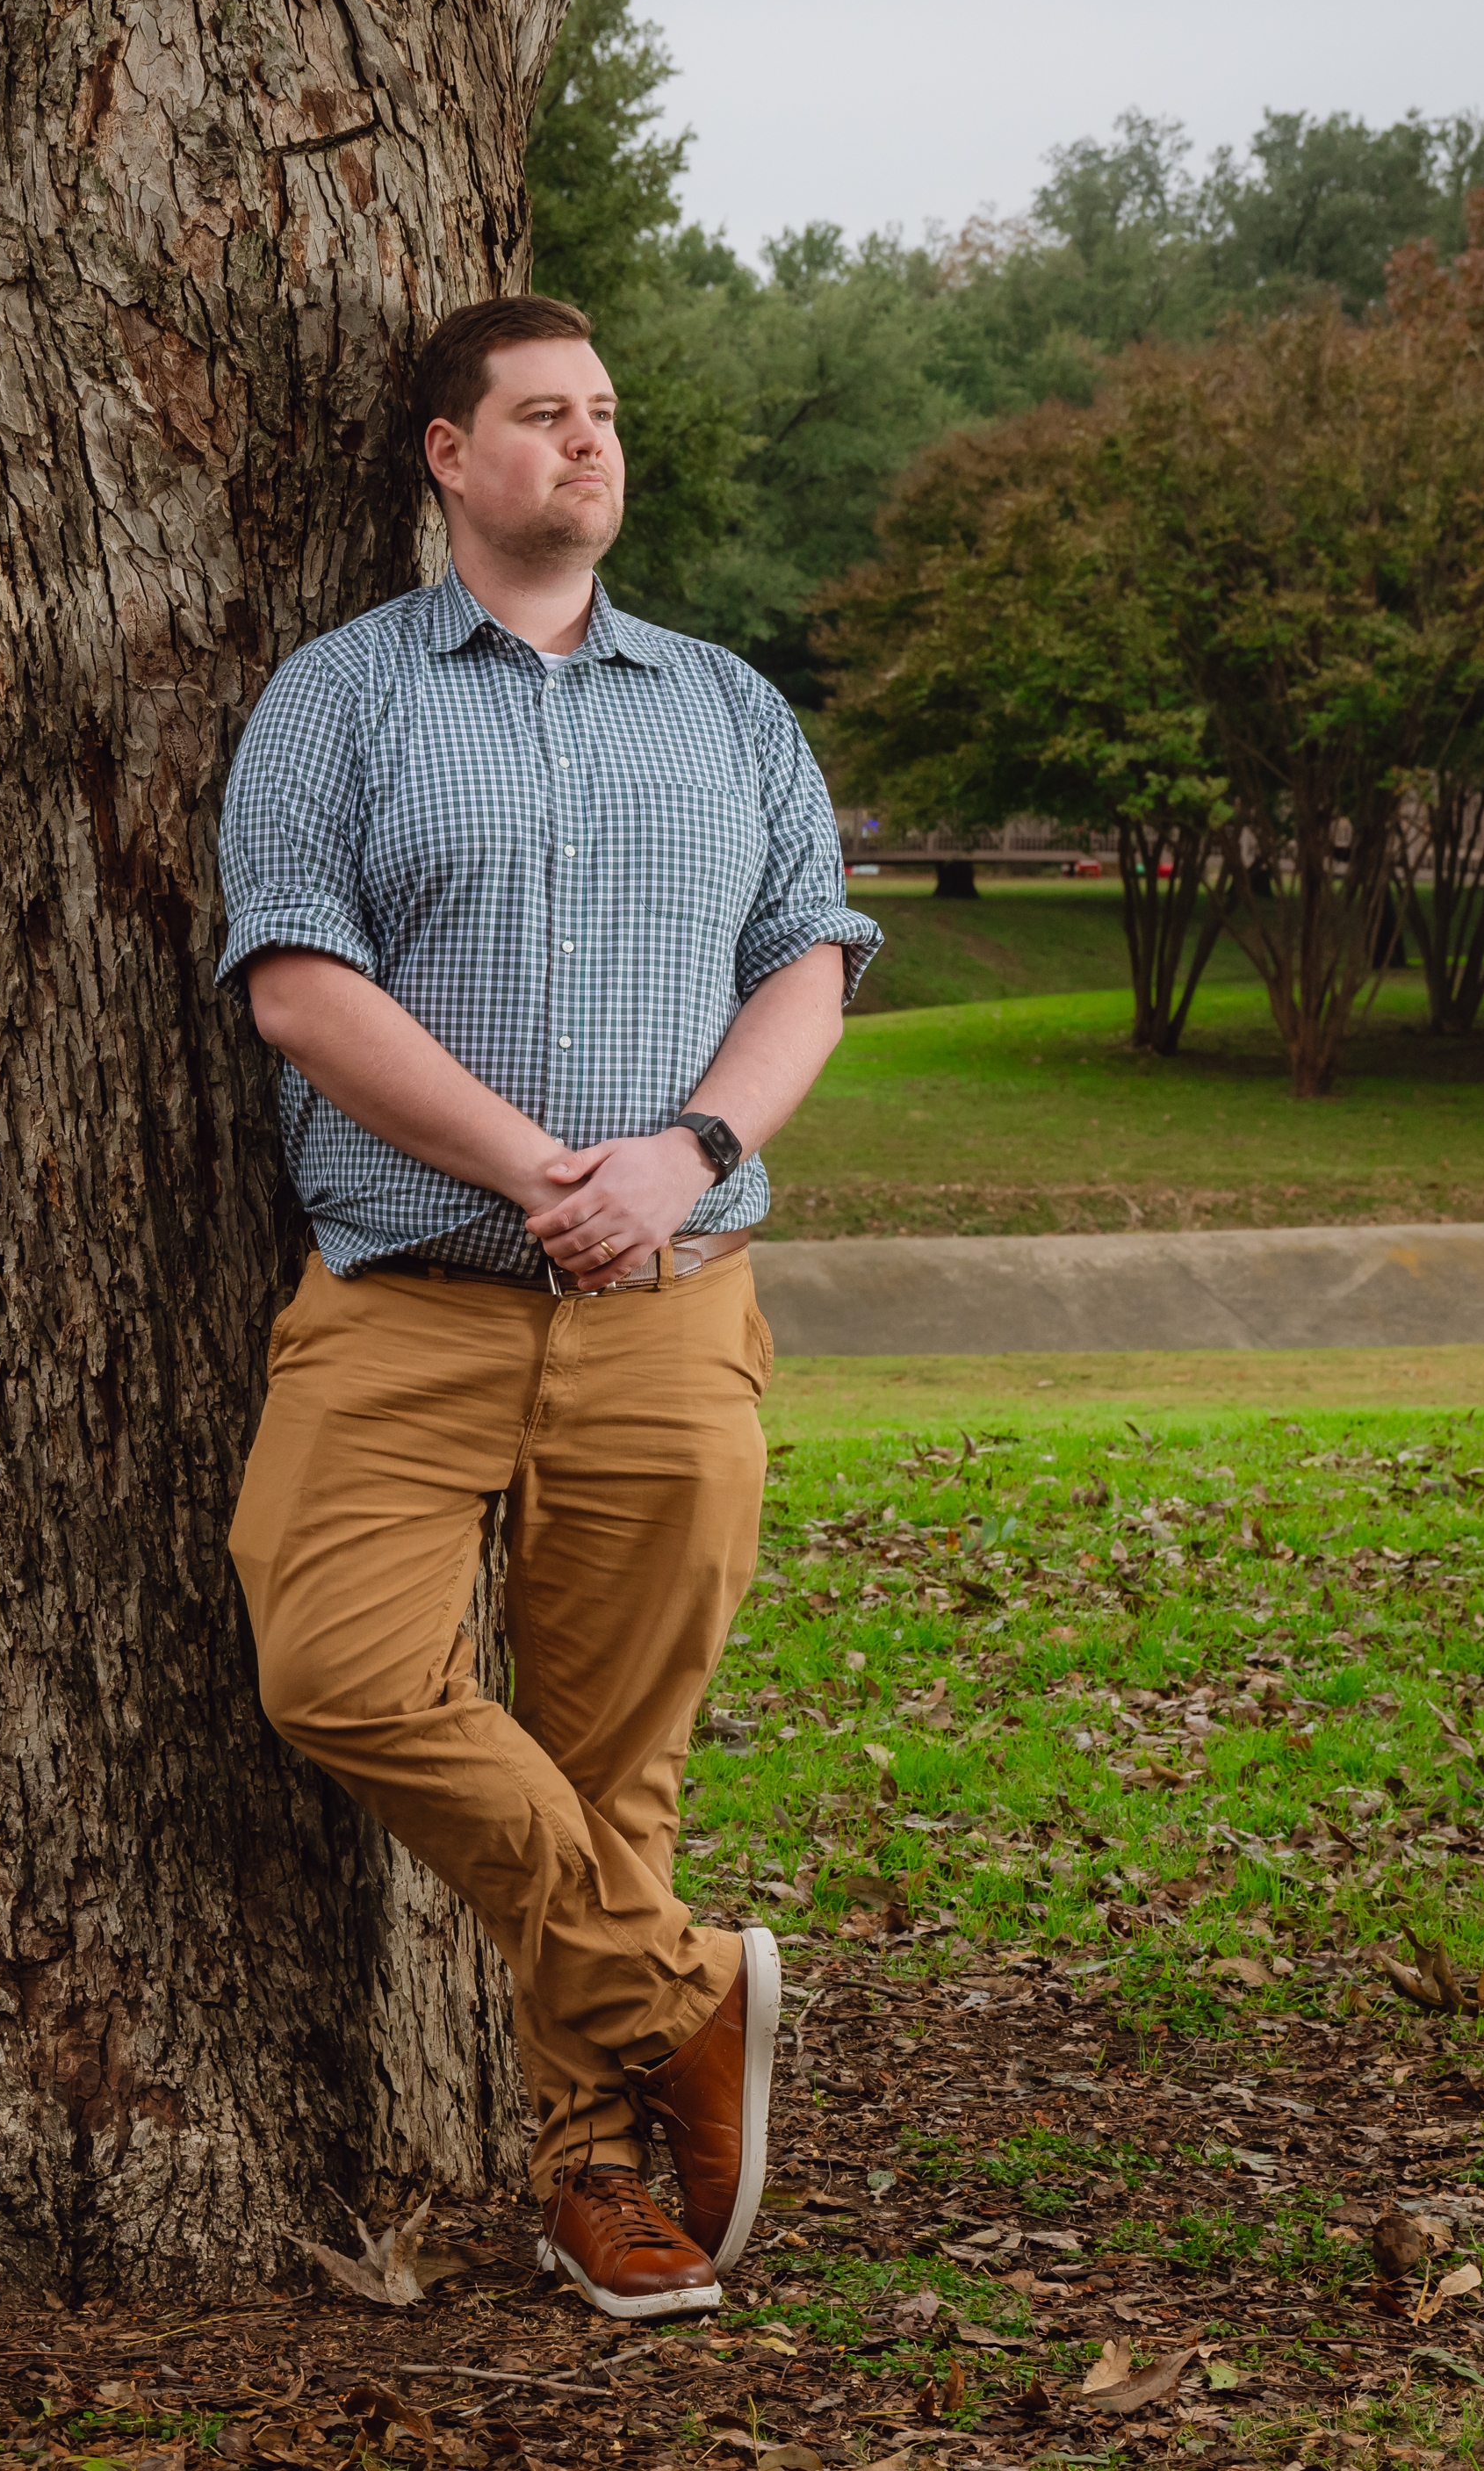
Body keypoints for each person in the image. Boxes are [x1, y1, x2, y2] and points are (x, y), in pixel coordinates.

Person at [217, 294, 882, 2320]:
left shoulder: (727, 707)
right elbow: (295, 982)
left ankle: (599, 2182)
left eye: (601, 416)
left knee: (615, 1771)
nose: (583, 447)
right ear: (445, 452)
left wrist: (676, 1156)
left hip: (671, 1304)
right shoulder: (334, 702)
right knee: (332, 1665)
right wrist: (533, 1172)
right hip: (406, 1295)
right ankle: (683, 1993)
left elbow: (810, 963)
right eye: (537, 416)